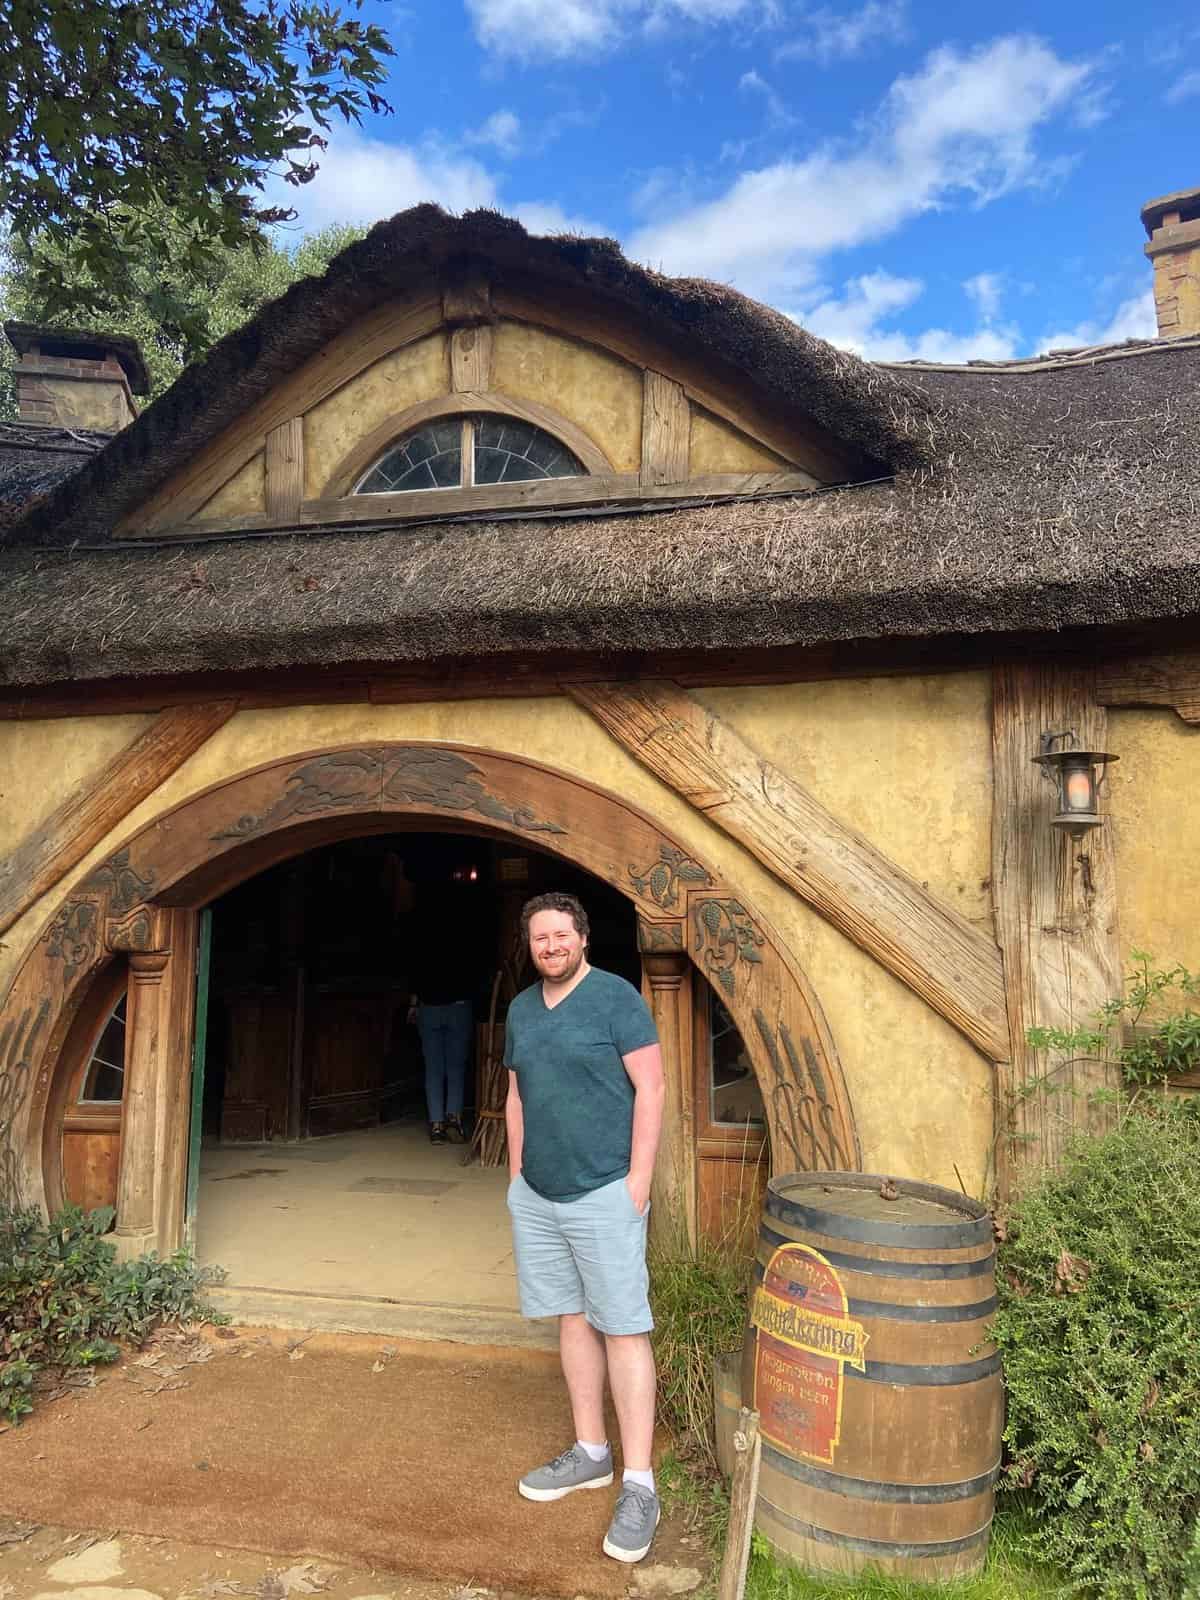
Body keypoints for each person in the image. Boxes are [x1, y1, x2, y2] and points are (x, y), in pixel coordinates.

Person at [504, 892, 665, 1564]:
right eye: (540, 938)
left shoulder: (616, 998)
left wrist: (638, 1184)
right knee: (572, 1320)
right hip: (538, 1195)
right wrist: (516, 1177)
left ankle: (640, 1483)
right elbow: (516, 1094)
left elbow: (651, 1089)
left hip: (605, 1190)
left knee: (623, 1327)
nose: (551, 946)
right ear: (531, 945)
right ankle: (592, 1453)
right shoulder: (519, 1009)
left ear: (582, 938)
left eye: (561, 935)